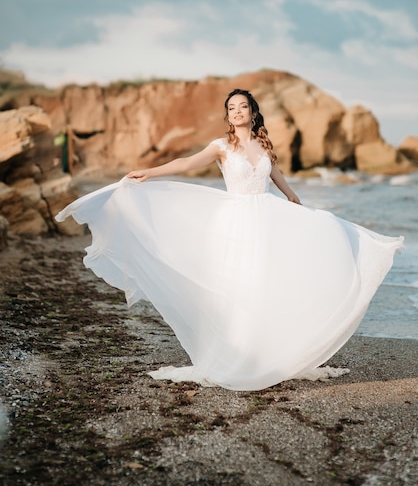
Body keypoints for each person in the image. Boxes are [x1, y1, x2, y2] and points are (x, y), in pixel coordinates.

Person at [56, 88, 403, 391]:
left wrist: (295, 201)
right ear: (228, 115)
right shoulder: (222, 145)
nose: (237, 112)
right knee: (238, 286)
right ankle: (238, 357)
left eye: (243, 107)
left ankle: (268, 355)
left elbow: (276, 175)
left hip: (267, 221)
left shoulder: (263, 145)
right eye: (232, 108)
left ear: (252, 113)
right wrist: (151, 172)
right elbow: (188, 162)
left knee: (266, 284)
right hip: (235, 222)